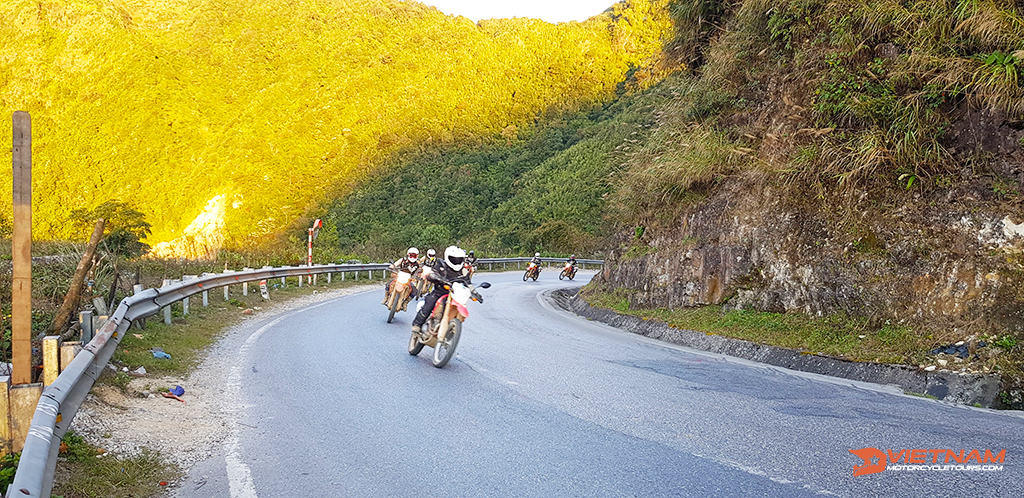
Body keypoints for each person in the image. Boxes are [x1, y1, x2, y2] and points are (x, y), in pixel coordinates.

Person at [411, 245, 472, 336]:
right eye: (454, 259)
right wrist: (434, 276)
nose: (456, 261)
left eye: (459, 259)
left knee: (461, 307)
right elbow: (432, 273)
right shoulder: (441, 265)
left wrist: (474, 292)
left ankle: (451, 330)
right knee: (430, 302)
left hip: (455, 294)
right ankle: (417, 324)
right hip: (440, 291)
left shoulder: (463, 270)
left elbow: (468, 283)